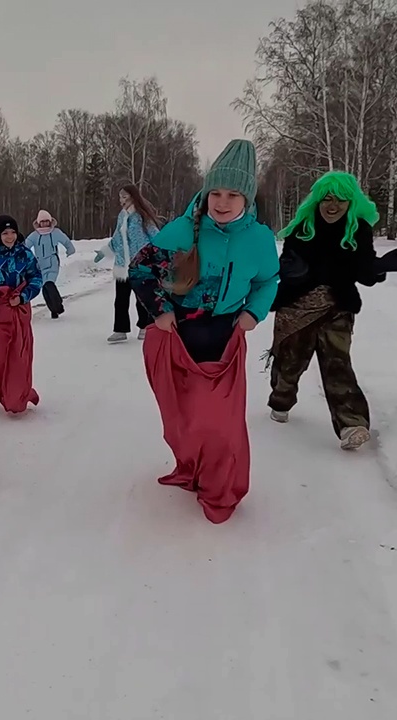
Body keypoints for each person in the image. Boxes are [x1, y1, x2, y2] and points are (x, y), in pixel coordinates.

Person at [129, 139, 279, 523]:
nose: (222, 201)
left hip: (223, 338)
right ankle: (191, 467)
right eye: (215, 192)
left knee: (220, 425)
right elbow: (141, 268)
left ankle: (220, 489)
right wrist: (160, 311)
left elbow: (268, 281)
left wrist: (253, 314)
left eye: (232, 193)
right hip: (177, 336)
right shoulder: (186, 228)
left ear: (246, 197)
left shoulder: (259, 238)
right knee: (182, 419)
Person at [266, 171, 397, 450]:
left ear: (352, 202)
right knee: (290, 363)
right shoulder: (303, 228)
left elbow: (363, 271)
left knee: (337, 364)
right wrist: (299, 271)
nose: (332, 205)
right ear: (318, 200)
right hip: (296, 308)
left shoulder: (358, 229)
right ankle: (281, 399)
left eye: (340, 199)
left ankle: (352, 424)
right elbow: (289, 266)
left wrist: (379, 267)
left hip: (338, 306)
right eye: (327, 198)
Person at [0, 215, 44, 413]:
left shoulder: (25, 255)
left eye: (13, 232)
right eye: (5, 233)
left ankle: (17, 393)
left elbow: (36, 278)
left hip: (19, 311)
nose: (9, 237)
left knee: (19, 356)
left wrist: (24, 296)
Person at [96, 184, 160, 343]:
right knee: (121, 299)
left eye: (125, 196)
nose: (122, 200)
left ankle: (145, 327)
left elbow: (156, 236)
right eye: (120, 197)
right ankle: (120, 330)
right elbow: (118, 237)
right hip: (122, 264)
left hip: (140, 264)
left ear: (133, 197)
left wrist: (159, 254)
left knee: (142, 298)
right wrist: (105, 251)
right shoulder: (122, 216)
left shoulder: (142, 216)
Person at [25, 209, 75, 318]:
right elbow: (25, 247)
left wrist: (70, 249)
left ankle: (58, 305)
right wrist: (22, 257)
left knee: (49, 283)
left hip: (52, 262)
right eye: (42, 222)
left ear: (50, 221)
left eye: (46, 221)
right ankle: (53, 310)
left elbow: (66, 241)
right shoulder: (34, 235)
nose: (45, 224)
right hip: (40, 265)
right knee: (45, 287)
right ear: (38, 223)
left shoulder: (55, 233)